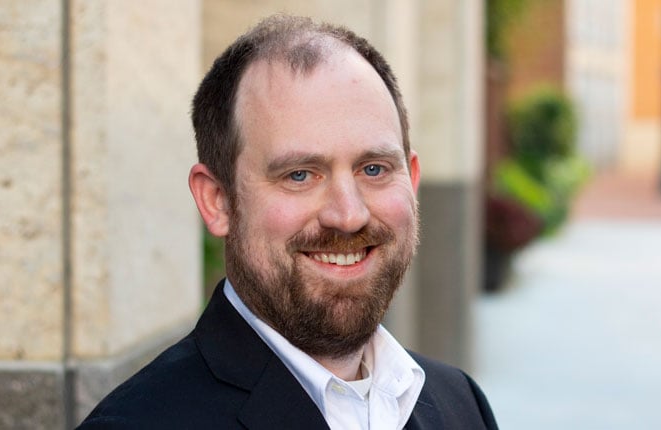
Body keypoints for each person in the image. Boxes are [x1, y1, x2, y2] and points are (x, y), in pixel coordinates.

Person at [78, 15, 497, 430]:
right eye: (300, 174)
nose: (348, 215)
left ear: (412, 179)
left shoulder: (460, 403)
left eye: (373, 169)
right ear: (217, 200)